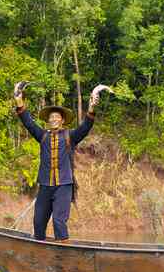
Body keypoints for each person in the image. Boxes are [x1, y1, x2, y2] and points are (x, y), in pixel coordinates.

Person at [13, 82, 101, 242]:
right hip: (45, 185)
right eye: (51, 117)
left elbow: (86, 126)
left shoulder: (70, 136)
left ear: (62, 120)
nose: (53, 119)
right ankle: (39, 252)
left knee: (59, 221)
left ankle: (64, 254)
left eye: (56, 117)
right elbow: (28, 123)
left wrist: (92, 107)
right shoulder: (42, 135)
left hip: (64, 186)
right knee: (38, 222)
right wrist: (19, 100)